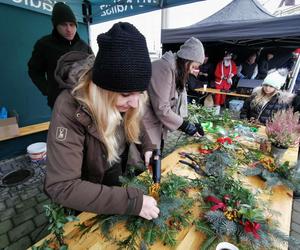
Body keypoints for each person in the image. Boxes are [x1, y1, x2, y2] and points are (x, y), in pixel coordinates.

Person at [45, 22, 160, 220]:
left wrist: (148, 147)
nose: (134, 103)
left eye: (139, 93)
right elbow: (62, 186)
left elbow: (134, 119)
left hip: (112, 169)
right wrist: (130, 202)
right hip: (82, 189)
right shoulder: (69, 107)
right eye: (125, 94)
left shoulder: (126, 101)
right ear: (102, 91)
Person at [142, 37, 205, 151]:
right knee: (145, 164)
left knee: (154, 160)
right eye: (193, 66)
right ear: (186, 60)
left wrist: (191, 123)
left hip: (156, 125)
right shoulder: (163, 68)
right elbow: (162, 108)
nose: (192, 71)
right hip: (147, 125)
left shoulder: (175, 70)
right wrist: (185, 126)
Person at [28, 2, 93, 109]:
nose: (69, 29)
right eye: (64, 25)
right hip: (59, 102)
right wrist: (47, 90)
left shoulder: (84, 46)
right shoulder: (44, 45)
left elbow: (93, 71)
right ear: (55, 26)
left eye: (72, 25)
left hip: (84, 101)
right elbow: (34, 70)